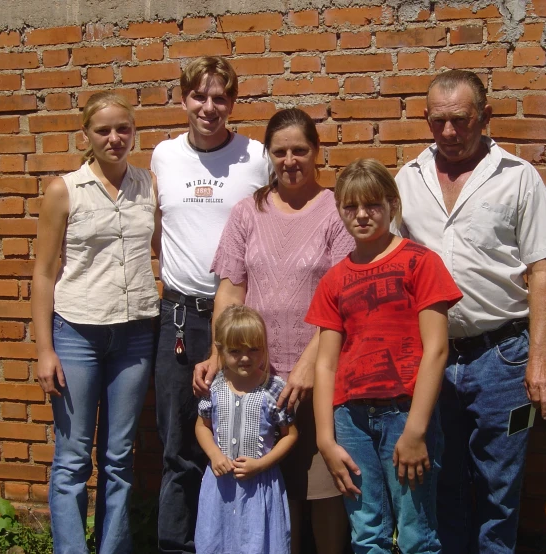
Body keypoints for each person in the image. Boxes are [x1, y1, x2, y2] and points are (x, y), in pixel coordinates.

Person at [394, 69, 546, 554]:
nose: (449, 133)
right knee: (441, 480)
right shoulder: (407, 181)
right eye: (438, 122)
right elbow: (388, 264)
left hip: (503, 358)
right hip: (431, 359)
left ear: (486, 117)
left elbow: (541, 269)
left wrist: (540, 359)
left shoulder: (516, 177)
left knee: (499, 486)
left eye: (461, 120)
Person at [193, 108, 352, 554]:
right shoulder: (248, 212)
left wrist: (307, 366)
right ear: (268, 156)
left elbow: (342, 299)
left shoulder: (335, 211)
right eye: (279, 152)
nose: (290, 160)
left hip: (317, 374)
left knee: (321, 487)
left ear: (317, 152)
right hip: (253, 378)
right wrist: (214, 354)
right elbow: (230, 290)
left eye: (300, 150)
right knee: (273, 488)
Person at [307, 159, 463, 554]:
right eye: (350, 206)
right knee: (367, 531)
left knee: (416, 533)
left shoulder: (421, 263)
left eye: (372, 204)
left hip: (406, 413)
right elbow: (325, 364)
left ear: (393, 205)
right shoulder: (334, 279)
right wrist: (325, 438)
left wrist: (415, 431)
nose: (361, 215)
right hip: (350, 420)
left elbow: (437, 350)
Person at [152, 56, 271, 553]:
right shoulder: (163, 156)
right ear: (183, 99)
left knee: (245, 445)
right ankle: (177, 546)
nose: (209, 106)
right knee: (181, 447)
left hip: (242, 324)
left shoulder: (256, 156)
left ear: (233, 102)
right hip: (180, 319)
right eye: (199, 96)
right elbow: (158, 233)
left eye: (220, 97)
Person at [32, 91, 158, 554]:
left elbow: (164, 249)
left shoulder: (149, 185)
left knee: (119, 457)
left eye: (123, 128)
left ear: (133, 133)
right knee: (71, 459)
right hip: (77, 331)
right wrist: (45, 349)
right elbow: (44, 272)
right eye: (103, 130)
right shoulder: (64, 189)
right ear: (86, 135)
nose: (114, 138)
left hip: (135, 334)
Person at [195, 305, 298, 554]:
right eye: (235, 350)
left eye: (254, 349)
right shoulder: (214, 387)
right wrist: (215, 455)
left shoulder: (273, 389)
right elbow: (202, 427)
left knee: (258, 543)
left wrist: (262, 465)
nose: (245, 357)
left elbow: (290, 434)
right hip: (220, 485)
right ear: (220, 350)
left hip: (260, 485)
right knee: (217, 540)